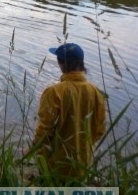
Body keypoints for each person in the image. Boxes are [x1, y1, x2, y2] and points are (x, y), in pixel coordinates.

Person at [31, 43, 106, 184]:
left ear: (61, 62)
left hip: (54, 167)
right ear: (82, 63)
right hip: (82, 166)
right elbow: (100, 130)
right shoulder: (97, 93)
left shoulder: (54, 92)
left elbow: (44, 131)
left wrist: (32, 147)